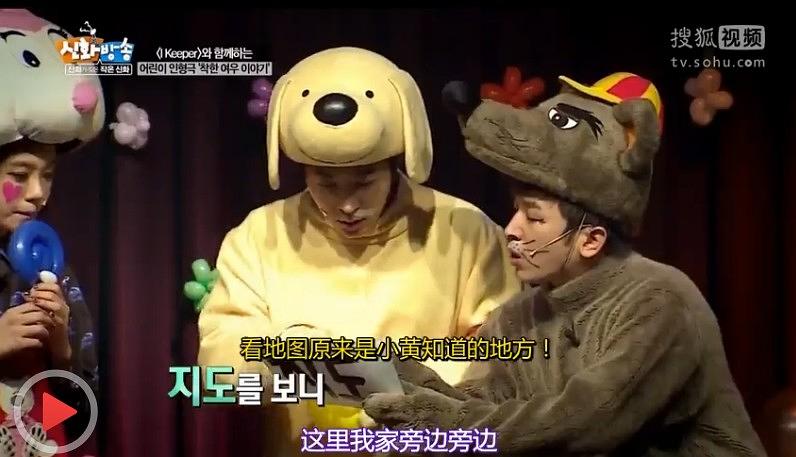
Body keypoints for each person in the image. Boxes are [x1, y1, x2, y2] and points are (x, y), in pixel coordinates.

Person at [363, 72, 766, 456]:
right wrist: (408, 382)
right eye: (516, 212)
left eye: (534, 218)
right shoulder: (516, 317)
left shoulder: (660, 301)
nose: (511, 230)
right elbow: (485, 404)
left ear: (590, 240)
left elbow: (587, 422)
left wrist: (448, 423)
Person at [197, 47, 521, 456]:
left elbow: (500, 352)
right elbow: (223, 358)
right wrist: (292, 360)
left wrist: (402, 393)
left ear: (394, 163)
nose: (347, 204)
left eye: (365, 181)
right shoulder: (259, 235)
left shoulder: (464, 229)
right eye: (327, 183)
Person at [0, 9, 104, 455]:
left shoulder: (52, 270)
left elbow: (78, 418)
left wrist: (61, 349)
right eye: (19, 175)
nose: (37, 193)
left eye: (47, 176)